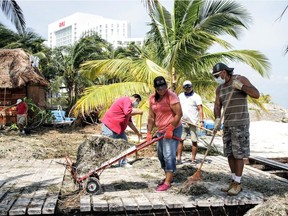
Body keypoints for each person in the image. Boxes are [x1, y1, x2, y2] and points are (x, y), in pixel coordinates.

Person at [212, 63, 260, 196]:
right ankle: (233, 181)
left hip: (240, 123)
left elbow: (256, 94)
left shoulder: (240, 79)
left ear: (223, 72)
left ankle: (238, 183)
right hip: (227, 124)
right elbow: (217, 105)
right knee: (229, 153)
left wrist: (241, 87)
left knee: (238, 154)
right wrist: (217, 119)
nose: (217, 78)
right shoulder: (220, 88)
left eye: (217, 75)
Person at [146, 76, 183, 192]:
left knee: (169, 155)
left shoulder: (171, 96)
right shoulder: (152, 99)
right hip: (161, 130)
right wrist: (148, 132)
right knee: (160, 155)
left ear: (166, 86)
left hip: (173, 128)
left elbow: (179, 114)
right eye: (159, 87)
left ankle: (168, 182)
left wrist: (171, 129)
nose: (162, 89)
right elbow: (151, 117)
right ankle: (168, 175)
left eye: (163, 87)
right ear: (155, 88)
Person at [101, 94, 143, 167]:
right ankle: (101, 163)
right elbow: (127, 112)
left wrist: (137, 132)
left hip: (119, 129)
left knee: (124, 143)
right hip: (110, 126)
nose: (136, 104)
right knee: (106, 145)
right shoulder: (127, 100)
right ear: (136, 99)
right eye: (137, 102)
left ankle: (122, 162)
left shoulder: (128, 106)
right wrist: (138, 112)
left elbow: (129, 122)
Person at [177, 80, 204, 165]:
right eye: (185, 87)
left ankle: (193, 159)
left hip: (193, 122)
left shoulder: (196, 97)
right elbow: (177, 107)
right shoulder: (180, 96)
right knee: (180, 140)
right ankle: (178, 158)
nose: (187, 88)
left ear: (191, 87)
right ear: (183, 88)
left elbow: (200, 109)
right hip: (182, 121)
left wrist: (201, 121)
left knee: (194, 140)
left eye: (189, 87)